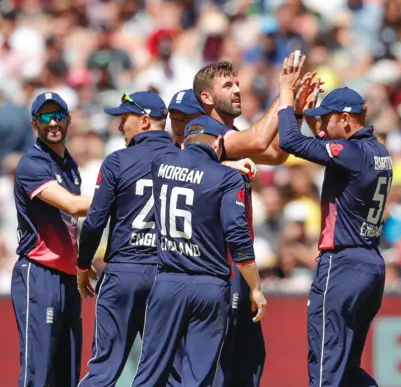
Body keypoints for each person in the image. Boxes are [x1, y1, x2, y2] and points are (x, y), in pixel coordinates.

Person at [277, 54, 393, 386]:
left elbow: (290, 142)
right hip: (370, 264)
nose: (323, 128)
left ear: (345, 119)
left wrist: (287, 96)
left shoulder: (351, 154)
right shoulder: (378, 151)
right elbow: (331, 149)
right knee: (347, 370)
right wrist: (314, 117)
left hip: (342, 264)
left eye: (326, 121)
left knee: (326, 364)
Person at [190, 55, 304, 387]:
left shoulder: (230, 133)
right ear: (207, 98)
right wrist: (283, 92)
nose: (238, 90)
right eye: (228, 85)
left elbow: (277, 153)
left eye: (237, 83)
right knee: (224, 362)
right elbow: (257, 141)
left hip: (235, 263)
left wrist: (293, 108)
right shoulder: (202, 135)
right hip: (216, 264)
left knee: (249, 358)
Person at [130, 116, 267, 387]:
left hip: (168, 281)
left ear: (186, 142)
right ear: (217, 142)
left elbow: (191, 169)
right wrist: (255, 288)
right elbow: (238, 238)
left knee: (149, 374)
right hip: (209, 285)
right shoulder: (226, 178)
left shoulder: (160, 165)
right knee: (199, 378)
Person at [75, 91, 176, 387]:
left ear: (144, 121)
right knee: (166, 371)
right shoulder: (184, 160)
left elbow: (94, 221)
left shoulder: (118, 161)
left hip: (124, 271)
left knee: (104, 370)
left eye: (124, 119)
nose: (120, 127)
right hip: (167, 276)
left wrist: (82, 266)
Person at [12, 92, 93, 386]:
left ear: (69, 119)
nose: (53, 123)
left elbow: (69, 224)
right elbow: (71, 206)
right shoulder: (32, 163)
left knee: (68, 369)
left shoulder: (68, 165)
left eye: (58, 115)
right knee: (39, 369)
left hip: (66, 276)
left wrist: (79, 260)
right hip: (39, 274)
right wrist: (122, 196)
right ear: (35, 123)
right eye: (45, 117)